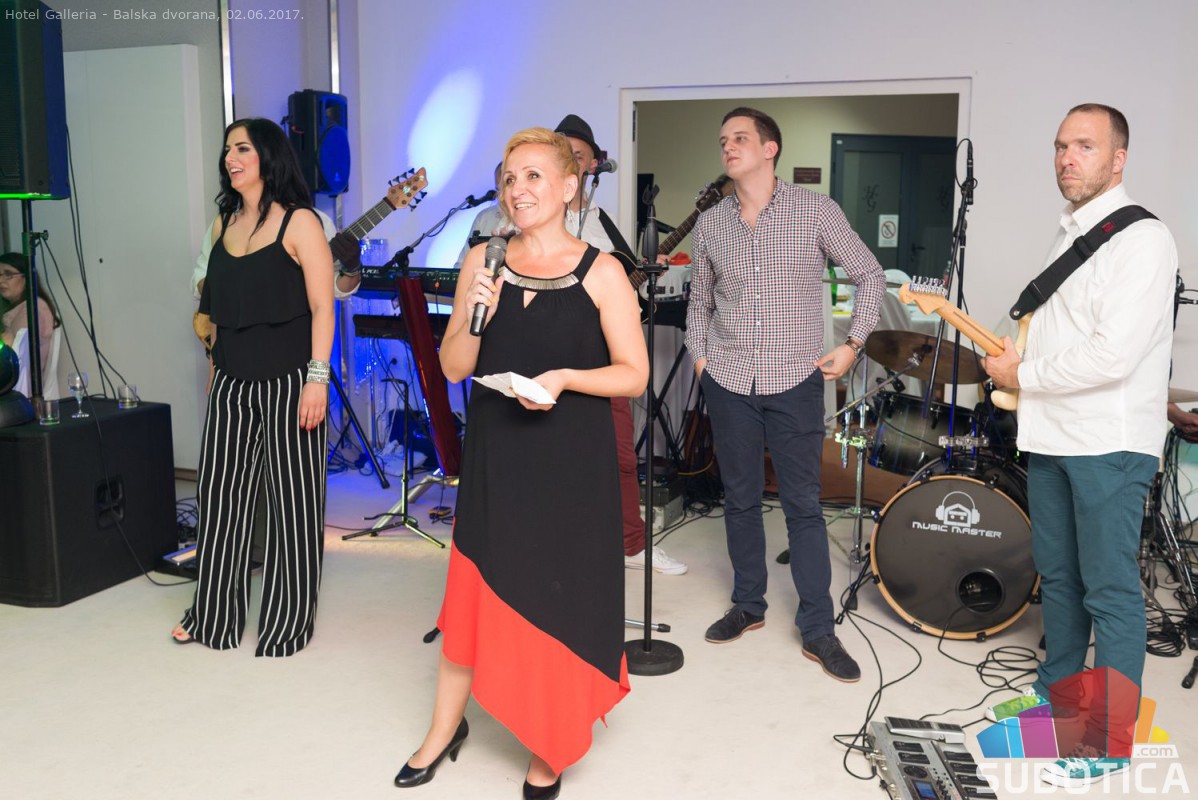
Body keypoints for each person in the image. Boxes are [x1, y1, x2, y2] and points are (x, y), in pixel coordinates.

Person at [395, 127, 647, 799]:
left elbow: (634, 373)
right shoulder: (484, 259)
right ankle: (443, 729)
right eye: (510, 178)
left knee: (557, 597)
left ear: (568, 187)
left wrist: (565, 377)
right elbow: (454, 367)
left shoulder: (602, 272)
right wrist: (474, 314)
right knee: (471, 595)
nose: (518, 189)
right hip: (498, 458)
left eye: (534, 176)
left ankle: (549, 741)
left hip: (571, 467)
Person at [982, 103, 1176, 787]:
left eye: (1085, 146)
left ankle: (1108, 738)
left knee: (1110, 590)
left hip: (1108, 444)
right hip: (1052, 435)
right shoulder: (1069, 233)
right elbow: (1059, 336)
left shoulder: (1143, 240)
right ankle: (1056, 701)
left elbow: (1112, 356)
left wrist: (1023, 376)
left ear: (1118, 159)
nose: (1067, 157)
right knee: (1060, 581)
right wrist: (1016, 363)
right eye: (1061, 146)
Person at [685, 107, 884, 682]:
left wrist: (853, 344)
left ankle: (818, 628)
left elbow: (869, 274)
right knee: (740, 498)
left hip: (795, 379)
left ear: (770, 149)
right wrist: (701, 358)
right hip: (728, 380)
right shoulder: (712, 223)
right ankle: (748, 604)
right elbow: (700, 300)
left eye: (740, 138)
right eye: (723, 140)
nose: (728, 147)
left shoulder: (814, 210)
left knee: (802, 505)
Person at [171, 118, 335, 657]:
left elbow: (323, 308)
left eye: (241, 148)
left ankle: (287, 622)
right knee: (220, 500)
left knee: (293, 504)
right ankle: (213, 616)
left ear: (268, 155)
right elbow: (216, 310)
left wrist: (317, 381)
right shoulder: (223, 223)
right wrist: (214, 370)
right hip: (230, 379)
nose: (230, 158)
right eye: (227, 150)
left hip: (291, 382)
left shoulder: (301, 223)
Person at [553, 112, 688, 576]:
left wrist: (650, 274)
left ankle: (631, 545)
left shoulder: (603, 223)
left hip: (604, 359)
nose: (570, 161)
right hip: (550, 356)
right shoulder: (534, 218)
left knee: (620, 457)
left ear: (593, 165)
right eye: (561, 152)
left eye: (578, 155)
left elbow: (627, 291)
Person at [0, 252, 61, 390]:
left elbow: (10, 351)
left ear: (26, 276)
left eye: (8, 274)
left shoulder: (32, 307)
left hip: (19, 390)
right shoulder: (26, 306)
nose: (1, 280)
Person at [453, 161, 513, 270]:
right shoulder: (485, 217)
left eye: (506, 187)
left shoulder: (536, 219)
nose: (502, 196)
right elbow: (461, 266)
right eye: (498, 190)